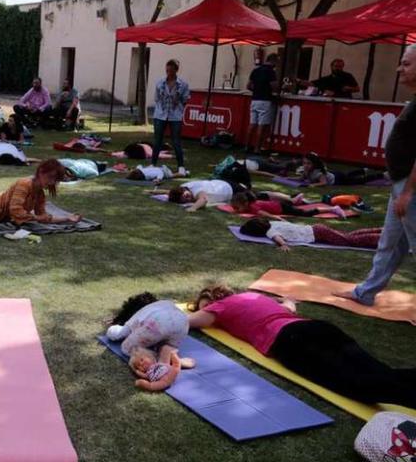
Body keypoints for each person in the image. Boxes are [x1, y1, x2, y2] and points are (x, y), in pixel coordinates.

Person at [188, 285, 416, 408]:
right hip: (317, 328)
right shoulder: (253, 297)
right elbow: (289, 307)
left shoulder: (218, 308)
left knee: (360, 387)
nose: (203, 311)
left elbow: (187, 322)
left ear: (213, 302)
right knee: (380, 371)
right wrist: (288, 301)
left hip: (291, 341)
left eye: (203, 306)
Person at [336, 45, 416, 306]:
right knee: (390, 244)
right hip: (401, 186)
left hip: (409, 188)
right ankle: (365, 293)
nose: (399, 69)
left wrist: (408, 192)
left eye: (406, 64)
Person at [105, 292, 193, 391]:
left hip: (157, 323)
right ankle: (170, 356)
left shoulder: (138, 314)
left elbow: (118, 333)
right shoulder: (163, 303)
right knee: (166, 346)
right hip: (184, 323)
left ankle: (158, 363)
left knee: (126, 349)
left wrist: (114, 328)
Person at [239, 217, 382, 251]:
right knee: (348, 235)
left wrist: (283, 245)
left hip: (318, 233)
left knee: (349, 241)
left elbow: (277, 238)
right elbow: (282, 219)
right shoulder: (272, 223)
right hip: (316, 228)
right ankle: (379, 230)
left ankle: (381, 238)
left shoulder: (270, 231)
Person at [152, 60, 190, 174]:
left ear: (176, 70)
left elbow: (185, 100)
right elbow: (156, 98)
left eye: (171, 70)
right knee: (157, 140)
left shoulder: (183, 84)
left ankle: (181, 166)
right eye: (167, 70)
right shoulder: (160, 83)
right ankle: (153, 164)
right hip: (160, 115)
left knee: (176, 141)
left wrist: (177, 104)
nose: (168, 72)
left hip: (175, 116)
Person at [246, 53, 279, 153]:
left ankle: (246, 146)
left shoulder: (255, 70)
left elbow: (248, 86)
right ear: (273, 61)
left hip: (255, 99)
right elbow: (274, 86)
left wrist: (257, 90)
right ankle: (257, 148)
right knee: (262, 125)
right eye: (276, 62)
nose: (277, 64)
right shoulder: (271, 72)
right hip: (265, 100)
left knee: (252, 124)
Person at [230, 191, 347, 219]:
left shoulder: (253, 207)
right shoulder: (249, 203)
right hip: (278, 205)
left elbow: (263, 213)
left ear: (245, 203)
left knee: (305, 213)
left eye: (237, 207)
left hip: (282, 208)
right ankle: (298, 199)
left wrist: (275, 217)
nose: (235, 210)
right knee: (296, 206)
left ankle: (333, 208)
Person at [296, 152, 387, 187]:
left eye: (308, 163)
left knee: (359, 180)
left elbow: (323, 183)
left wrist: (313, 185)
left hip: (338, 179)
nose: (306, 165)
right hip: (335, 174)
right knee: (349, 175)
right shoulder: (306, 170)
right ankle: (362, 170)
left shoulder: (318, 173)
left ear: (314, 164)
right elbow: (301, 178)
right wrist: (291, 179)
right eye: (304, 163)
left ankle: (381, 175)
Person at [158, 179, 244, 212]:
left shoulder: (196, 191)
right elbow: (170, 191)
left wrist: (193, 207)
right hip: (223, 184)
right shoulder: (183, 187)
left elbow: (203, 199)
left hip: (231, 189)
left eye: (186, 196)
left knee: (250, 195)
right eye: (185, 200)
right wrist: (155, 191)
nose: (188, 199)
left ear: (184, 190)